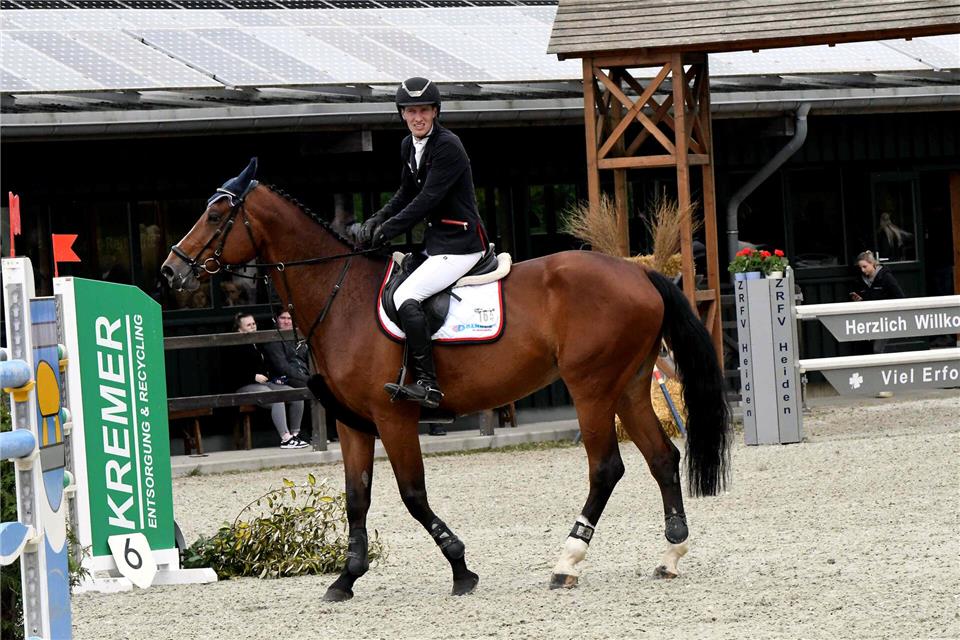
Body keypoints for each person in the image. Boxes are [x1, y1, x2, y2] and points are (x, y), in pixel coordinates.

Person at [356, 76, 490, 409]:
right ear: (402, 113)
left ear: (435, 112)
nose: (418, 117)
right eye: (411, 111)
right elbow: (405, 192)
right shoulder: (408, 146)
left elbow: (428, 198)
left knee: (405, 296)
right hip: (437, 244)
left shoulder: (448, 145)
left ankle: (429, 384)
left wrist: (388, 230)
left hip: (461, 243)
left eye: (424, 111)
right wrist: (376, 219)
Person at [223, 312, 307, 449]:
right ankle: (285, 438)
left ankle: (295, 434)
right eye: (248, 325)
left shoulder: (258, 342)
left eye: (254, 324)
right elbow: (230, 372)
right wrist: (252, 376)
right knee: (275, 398)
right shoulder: (234, 345)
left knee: (295, 394)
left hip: (266, 383)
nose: (253, 327)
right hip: (245, 385)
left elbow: (267, 367)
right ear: (240, 329)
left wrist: (276, 379)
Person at [850, 250, 905, 398]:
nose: (863, 270)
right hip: (871, 321)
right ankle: (880, 385)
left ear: (873, 264)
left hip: (886, 320)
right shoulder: (861, 280)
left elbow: (900, 297)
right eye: (860, 267)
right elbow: (869, 299)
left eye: (865, 267)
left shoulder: (886, 278)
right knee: (872, 351)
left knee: (878, 350)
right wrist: (861, 301)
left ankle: (886, 386)